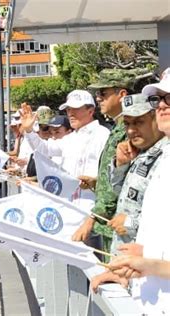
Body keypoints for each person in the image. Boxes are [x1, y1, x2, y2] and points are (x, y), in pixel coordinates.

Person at [107, 68, 170, 315]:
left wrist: (149, 264)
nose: (163, 106)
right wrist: (144, 255)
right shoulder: (165, 156)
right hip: (149, 300)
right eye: (159, 99)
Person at [90, 94, 166, 292]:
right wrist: (121, 166)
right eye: (127, 123)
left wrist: (131, 223)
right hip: (129, 267)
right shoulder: (140, 152)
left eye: (139, 122)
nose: (131, 130)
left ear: (156, 117)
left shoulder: (165, 156)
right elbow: (119, 196)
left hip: (151, 273)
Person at [72, 69, 147, 251]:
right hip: (111, 224)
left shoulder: (129, 132)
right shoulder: (118, 128)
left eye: (103, 93)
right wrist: (97, 182)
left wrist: (92, 218)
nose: (98, 98)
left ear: (122, 94)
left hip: (120, 224)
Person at [20, 89, 110, 211]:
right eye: (68, 109)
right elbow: (44, 149)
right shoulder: (71, 138)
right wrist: (29, 130)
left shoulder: (103, 135)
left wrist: (94, 180)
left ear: (91, 110)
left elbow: (110, 174)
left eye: (76, 109)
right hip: (68, 207)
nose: (70, 114)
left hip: (91, 208)